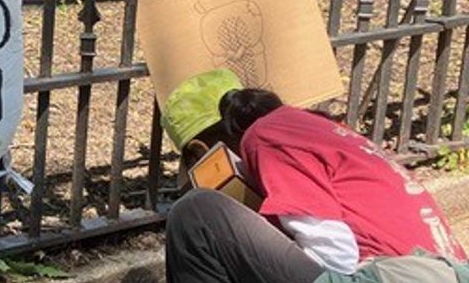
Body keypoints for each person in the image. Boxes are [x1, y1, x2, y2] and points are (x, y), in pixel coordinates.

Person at [160, 68, 468, 283]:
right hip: (432, 271)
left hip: (394, 275)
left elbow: (336, 257)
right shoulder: (309, 127)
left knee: (196, 213)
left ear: (201, 153)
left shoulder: (265, 137)